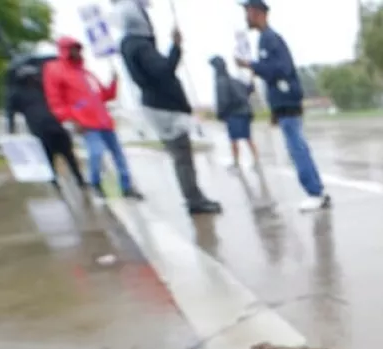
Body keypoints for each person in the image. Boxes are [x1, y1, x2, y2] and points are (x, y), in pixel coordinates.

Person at [115, 0, 222, 215]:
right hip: (164, 108)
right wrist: (175, 46)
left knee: (180, 156)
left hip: (157, 107)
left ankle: (193, 197)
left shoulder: (128, 45)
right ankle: (194, 199)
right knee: (182, 156)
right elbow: (164, 71)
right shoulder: (140, 45)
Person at [237, 0, 331, 211]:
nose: (246, 16)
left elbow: (280, 70)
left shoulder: (270, 39)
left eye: (248, 11)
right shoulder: (265, 39)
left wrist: (251, 65)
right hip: (284, 103)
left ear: (258, 13)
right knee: (297, 146)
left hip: (288, 100)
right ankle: (316, 190)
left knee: (296, 147)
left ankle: (314, 192)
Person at [42, 36, 142, 201]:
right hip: (85, 123)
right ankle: (96, 183)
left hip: (104, 121)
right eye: (73, 48)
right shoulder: (54, 70)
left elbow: (104, 95)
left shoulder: (86, 73)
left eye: (78, 48)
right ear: (65, 51)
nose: (77, 52)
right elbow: (55, 101)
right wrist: (69, 120)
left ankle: (126, 186)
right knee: (96, 153)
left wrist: (114, 82)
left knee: (119, 155)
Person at [5, 55, 87, 191]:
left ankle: (74, 180)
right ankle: (64, 181)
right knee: (57, 155)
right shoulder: (23, 91)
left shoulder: (36, 88)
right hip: (46, 127)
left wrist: (11, 131)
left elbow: (10, 113)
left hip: (49, 126)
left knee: (63, 154)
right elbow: (10, 113)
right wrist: (11, 131)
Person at [209, 56, 259, 170]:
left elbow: (222, 100)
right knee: (248, 137)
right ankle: (256, 160)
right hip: (246, 112)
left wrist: (220, 114)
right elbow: (248, 90)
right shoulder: (235, 80)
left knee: (233, 139)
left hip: (233, 114)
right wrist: (252, 78)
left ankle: (236, 163)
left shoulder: (220, 82)